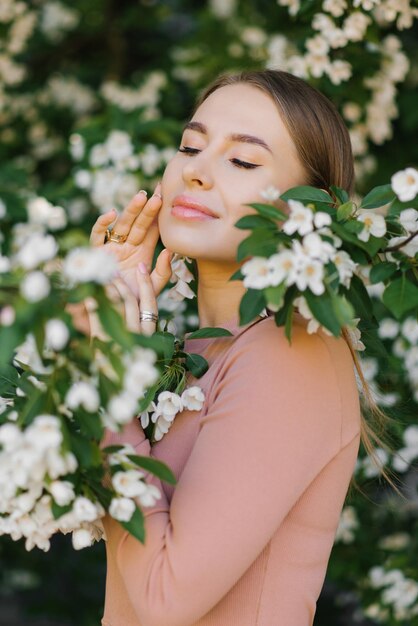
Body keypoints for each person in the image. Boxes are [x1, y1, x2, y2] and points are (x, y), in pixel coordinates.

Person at [90, 70, 363, 626]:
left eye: (243, 161)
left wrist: (113, 381)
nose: (195, 169)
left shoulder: (291, 354)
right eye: (191, 145)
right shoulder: (198, 354)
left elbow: (165, 599)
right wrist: (96, 309)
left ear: (304, 211)